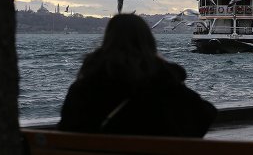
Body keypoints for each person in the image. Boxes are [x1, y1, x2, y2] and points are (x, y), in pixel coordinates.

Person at [58, 14, 217, 137]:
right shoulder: (163, 85)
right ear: (149, 42)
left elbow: (66, 129)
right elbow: (205, 115)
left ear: (107, 41)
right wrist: (164, 67)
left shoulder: (84, 87)